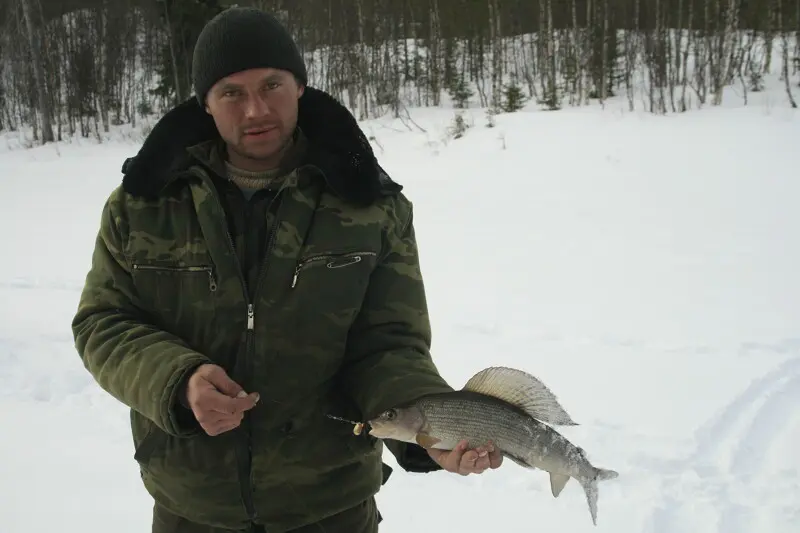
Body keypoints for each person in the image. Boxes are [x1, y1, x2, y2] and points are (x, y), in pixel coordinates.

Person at [71, 6, 501, 533]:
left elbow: (388, 343)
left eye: (272, 84)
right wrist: (177, 380)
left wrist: (430, 430)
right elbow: (103, 323)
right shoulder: (142, 205)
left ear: (299, 86)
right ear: (204, 102)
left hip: (330, 503)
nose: (256, 110)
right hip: (192, 504)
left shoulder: (368, 206)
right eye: (231, 92)